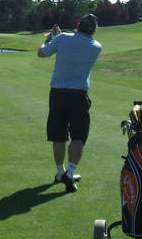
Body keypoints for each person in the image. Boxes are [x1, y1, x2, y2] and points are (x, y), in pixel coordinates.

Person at [37, 13, 102, 192]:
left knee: (59, 135)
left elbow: (41, 53)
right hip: (79, 96)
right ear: (94, 29)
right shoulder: (96, 46)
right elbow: (76, 42)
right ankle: (70, 172)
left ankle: (60, 172)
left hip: (58, 94)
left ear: (79, 24)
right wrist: (59, 37)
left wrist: (50, 39)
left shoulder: (63, 38)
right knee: (78, 136)